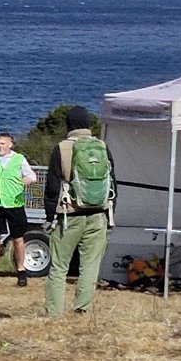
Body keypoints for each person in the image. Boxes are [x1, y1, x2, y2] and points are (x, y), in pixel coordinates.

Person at [42, 107, 113, 316]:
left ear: (69, 125)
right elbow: (113, 183)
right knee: (90, 266)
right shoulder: (102, 147)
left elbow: (53, 186)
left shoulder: (62, 148)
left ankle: (54, 313)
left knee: (58, 267)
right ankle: (82, 309)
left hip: (68, 214)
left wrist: (49, 217)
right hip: (98, 214)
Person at [0, 133, 32, 286]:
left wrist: (27, 180)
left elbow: (31, 175)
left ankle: (21, 270)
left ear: (10, 145)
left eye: (2, 143)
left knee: (18, 239)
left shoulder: (19, 159)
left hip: (14, 204)